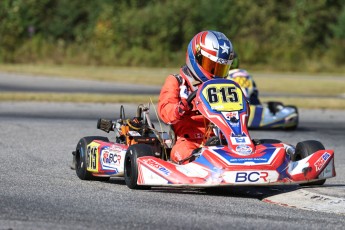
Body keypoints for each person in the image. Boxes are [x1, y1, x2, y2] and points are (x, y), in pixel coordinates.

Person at [158, 30, 235, 164]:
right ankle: (200, 160)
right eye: (212, 67)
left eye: (220, 69)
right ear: (196, 57)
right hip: (189, 141)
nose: (215, 74)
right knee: (182, 153)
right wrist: (180, 108)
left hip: (223, 139)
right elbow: (165, 112)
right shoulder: (177, 81)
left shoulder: (224, 87)